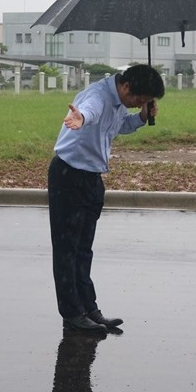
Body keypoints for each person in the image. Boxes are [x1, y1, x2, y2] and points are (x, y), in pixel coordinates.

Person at [48, 64, 164, 333]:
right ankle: (72, 314)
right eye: (139, 99)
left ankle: (89, 308)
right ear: (126, 87)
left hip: (91, 178)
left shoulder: (119, 100)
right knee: (67, 250)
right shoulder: (98, 96)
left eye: (145, 102)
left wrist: (141, 116)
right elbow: (90, 112)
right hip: (69, 176)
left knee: (84, 249)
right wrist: (81, 119)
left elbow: (119, 125)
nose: (138, 104)